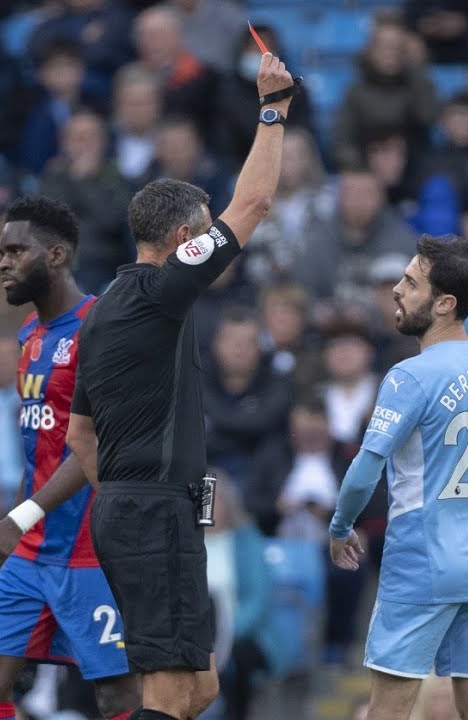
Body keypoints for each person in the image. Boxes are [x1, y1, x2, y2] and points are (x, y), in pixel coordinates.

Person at [64, 53, 297, 720]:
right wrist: (273, 109)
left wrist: (123, 497)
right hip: (153, 511)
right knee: (169, 692)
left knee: (198, 690)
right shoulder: (161, 291)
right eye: (203, 236)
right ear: (183, 238)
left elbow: (81, 431)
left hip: (142, 509)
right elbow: (252, 203)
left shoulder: (105, 308)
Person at [328, 236, 468, 720]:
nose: (397, 291)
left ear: (445, 304)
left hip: (423, 562)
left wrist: (341, 528)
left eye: (409, 282)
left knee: (389, 709)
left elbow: (366, 468)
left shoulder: (410, 376)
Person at [0, 196, 138, 720]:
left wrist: (16, 520)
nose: (3, 263)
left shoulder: (99, 328)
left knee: (117, 694)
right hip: (32, 550)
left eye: (17, 250)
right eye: (0, 252)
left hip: (91, 551)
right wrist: (18, 530)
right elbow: (37, 449)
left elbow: (94, 449)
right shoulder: (29, 336)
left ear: (57, 255)